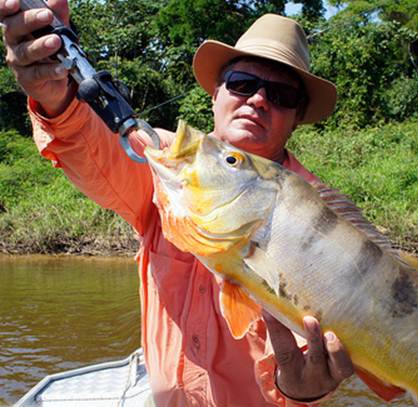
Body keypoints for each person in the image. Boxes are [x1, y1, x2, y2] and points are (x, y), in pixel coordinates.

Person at [1, 1, 354, 405]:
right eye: (242, 83)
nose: (258, 100)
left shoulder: (316, 217)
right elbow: (92, 149)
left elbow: (308, 360)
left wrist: (302, 391)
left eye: (281, 94)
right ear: (215, 94)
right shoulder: (169, 161)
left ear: (296, 117)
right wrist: (56, 95)